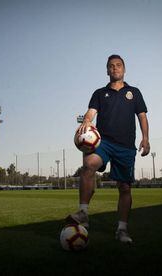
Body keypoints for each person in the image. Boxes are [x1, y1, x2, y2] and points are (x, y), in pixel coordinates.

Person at [66, 54, 150, 243]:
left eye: (118, 65)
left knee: (125, 187)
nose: (115, 68)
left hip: (126, 147)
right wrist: (87, 121)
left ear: (124, 69)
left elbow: (142, 116)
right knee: (88, 165)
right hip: (103, 143)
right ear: (107, 70)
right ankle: (84, 213)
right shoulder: (99, 93)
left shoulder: (134, 92)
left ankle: (122, 230)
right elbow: (91, 112)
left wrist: (145, 138)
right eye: (111, 66)